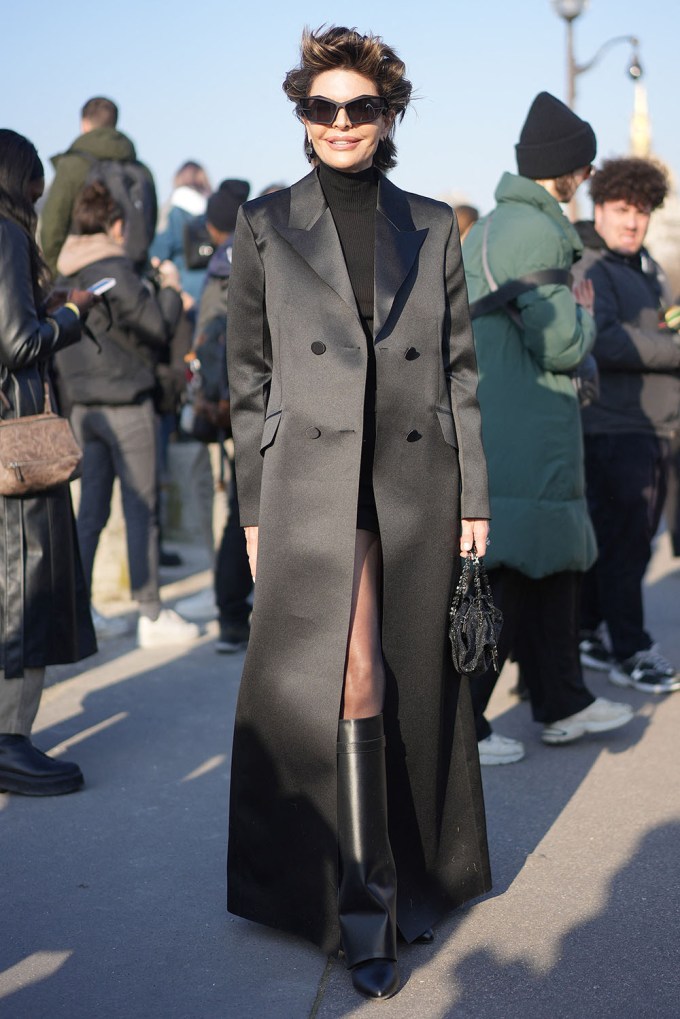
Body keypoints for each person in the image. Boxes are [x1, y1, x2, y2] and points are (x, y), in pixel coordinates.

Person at [226, 27, 491, 1001]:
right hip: (310, 481)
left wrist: (476, 499)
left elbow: (459, 370)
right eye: (322, 107)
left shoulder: (430, 223)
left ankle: (407, 869)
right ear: (302, 115)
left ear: (387, 117)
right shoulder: (263, 224)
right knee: (341, 672)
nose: (341, 124)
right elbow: (246, 375)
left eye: (360, 107)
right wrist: (253, 509)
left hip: (413, 483)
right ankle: (357, 902)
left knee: (401, 676)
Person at [462, 92, 633, 766]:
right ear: (561, 168)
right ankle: (464, 729)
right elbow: (560, 343)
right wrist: (586, 316)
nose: (586, 179)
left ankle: (562, 701)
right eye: (583, 168)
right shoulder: (531, 230)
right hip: (527, 430)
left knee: (543, 572)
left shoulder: (493, 226)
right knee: (509, 577)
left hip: (509, 424)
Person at [54, 182, 200, 649]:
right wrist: (173, 292)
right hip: (125, 402)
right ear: (115, 225)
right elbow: (156, 326)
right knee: (142, 507)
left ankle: (79, 610)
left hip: (83, 407)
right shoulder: (117, 268)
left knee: (91, 511)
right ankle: (151, 613)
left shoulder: (64, 270)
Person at [0, 129, 97, 796]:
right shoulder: (5, 233)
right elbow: (17, 342)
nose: (41, 191)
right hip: (17, 447)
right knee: (23, 588)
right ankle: (8, 739)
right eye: (35, 178)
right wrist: (71, 313)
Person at [572, 158, 680, 692]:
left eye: (640, 212)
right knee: (628, 544)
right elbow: (604, 339)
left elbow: (663, 320)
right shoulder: (591, 265)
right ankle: (632, 651)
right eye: (621, 210)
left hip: (651, 425)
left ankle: (589, 630)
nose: (631, 222)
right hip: (615, 427)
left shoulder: (648, 268)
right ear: (600, 208)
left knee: (615, 540)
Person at [40, 97, 157, 275]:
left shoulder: (73, 166)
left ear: (84, 123)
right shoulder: (140, 170)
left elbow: (53, 225)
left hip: (82, 277)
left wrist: (56, 276)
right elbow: (149, 222)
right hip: (131, 274)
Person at [151, 161, 213, 305]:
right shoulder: (212, 208)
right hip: (211, 281)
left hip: (183, 282)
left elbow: (160, 249)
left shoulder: (172, 210)